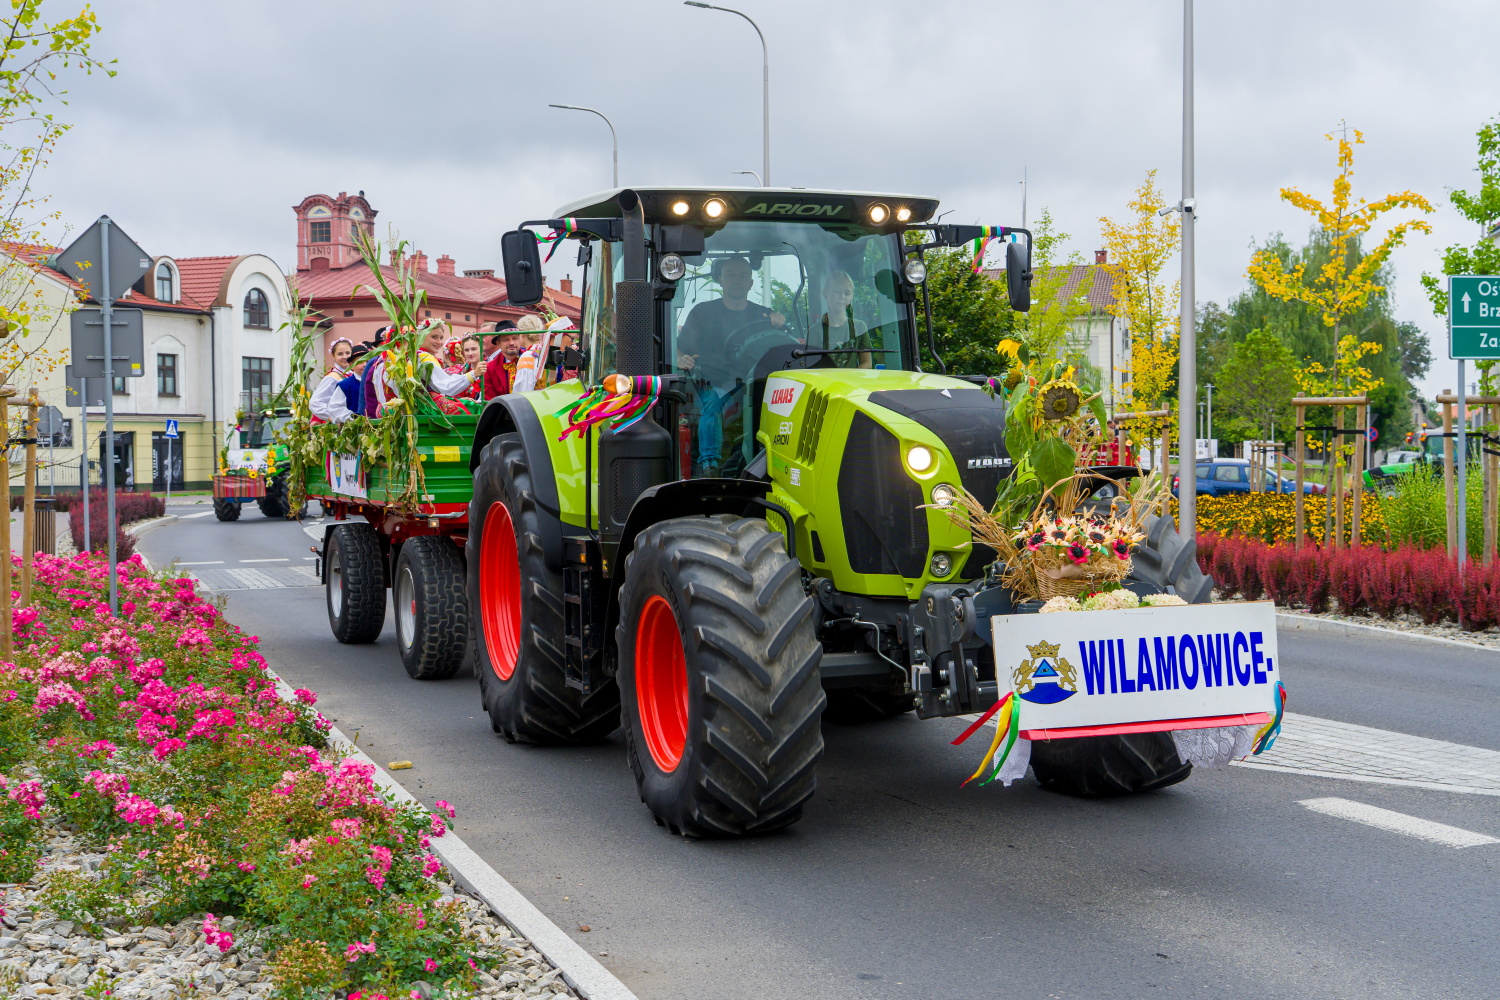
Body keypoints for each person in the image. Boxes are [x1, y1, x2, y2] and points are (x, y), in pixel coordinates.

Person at [675, 257, 783, 476]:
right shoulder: (702, 312)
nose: (737, 280)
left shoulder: (764, 314)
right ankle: (709, 466)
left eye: (743, 275)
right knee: (713, 402)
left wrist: (779, 320)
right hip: (709, 380)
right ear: (720, 280)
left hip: (751, 381)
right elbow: (679, 348)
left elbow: (781, 343)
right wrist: (680, 358)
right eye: (730, 275)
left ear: (751, 283)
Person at [817, 270, 875, 369]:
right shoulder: (816, 331)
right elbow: (813, 365)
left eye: (847, 293)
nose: (842, 297)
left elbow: (867, 363)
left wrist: (850, 380)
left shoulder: (860, 327)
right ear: (825, 294)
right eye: (836, 292)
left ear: (852, 296)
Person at [310, 338, 355, 423]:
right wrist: (334, 416)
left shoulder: (352, 373)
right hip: (341, 425)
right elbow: (315, 403)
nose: (345, 357)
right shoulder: (332, 377)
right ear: (333, 356)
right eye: (340, 354)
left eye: (348, 353)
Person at [483, 323, 528, 399]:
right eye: (506, 339)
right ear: (498, 343)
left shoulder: (531, 360)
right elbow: (490, 399)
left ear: (520, 340)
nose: (511, 343)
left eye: (514, 338)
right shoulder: (489, 368)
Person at [338, 344, 371, 416]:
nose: (365, 365)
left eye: (367, 361)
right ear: (351, 366)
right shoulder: (345, 385)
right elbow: (336, 407)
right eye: (360, 362)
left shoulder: (375, 382)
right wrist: (352, 418)